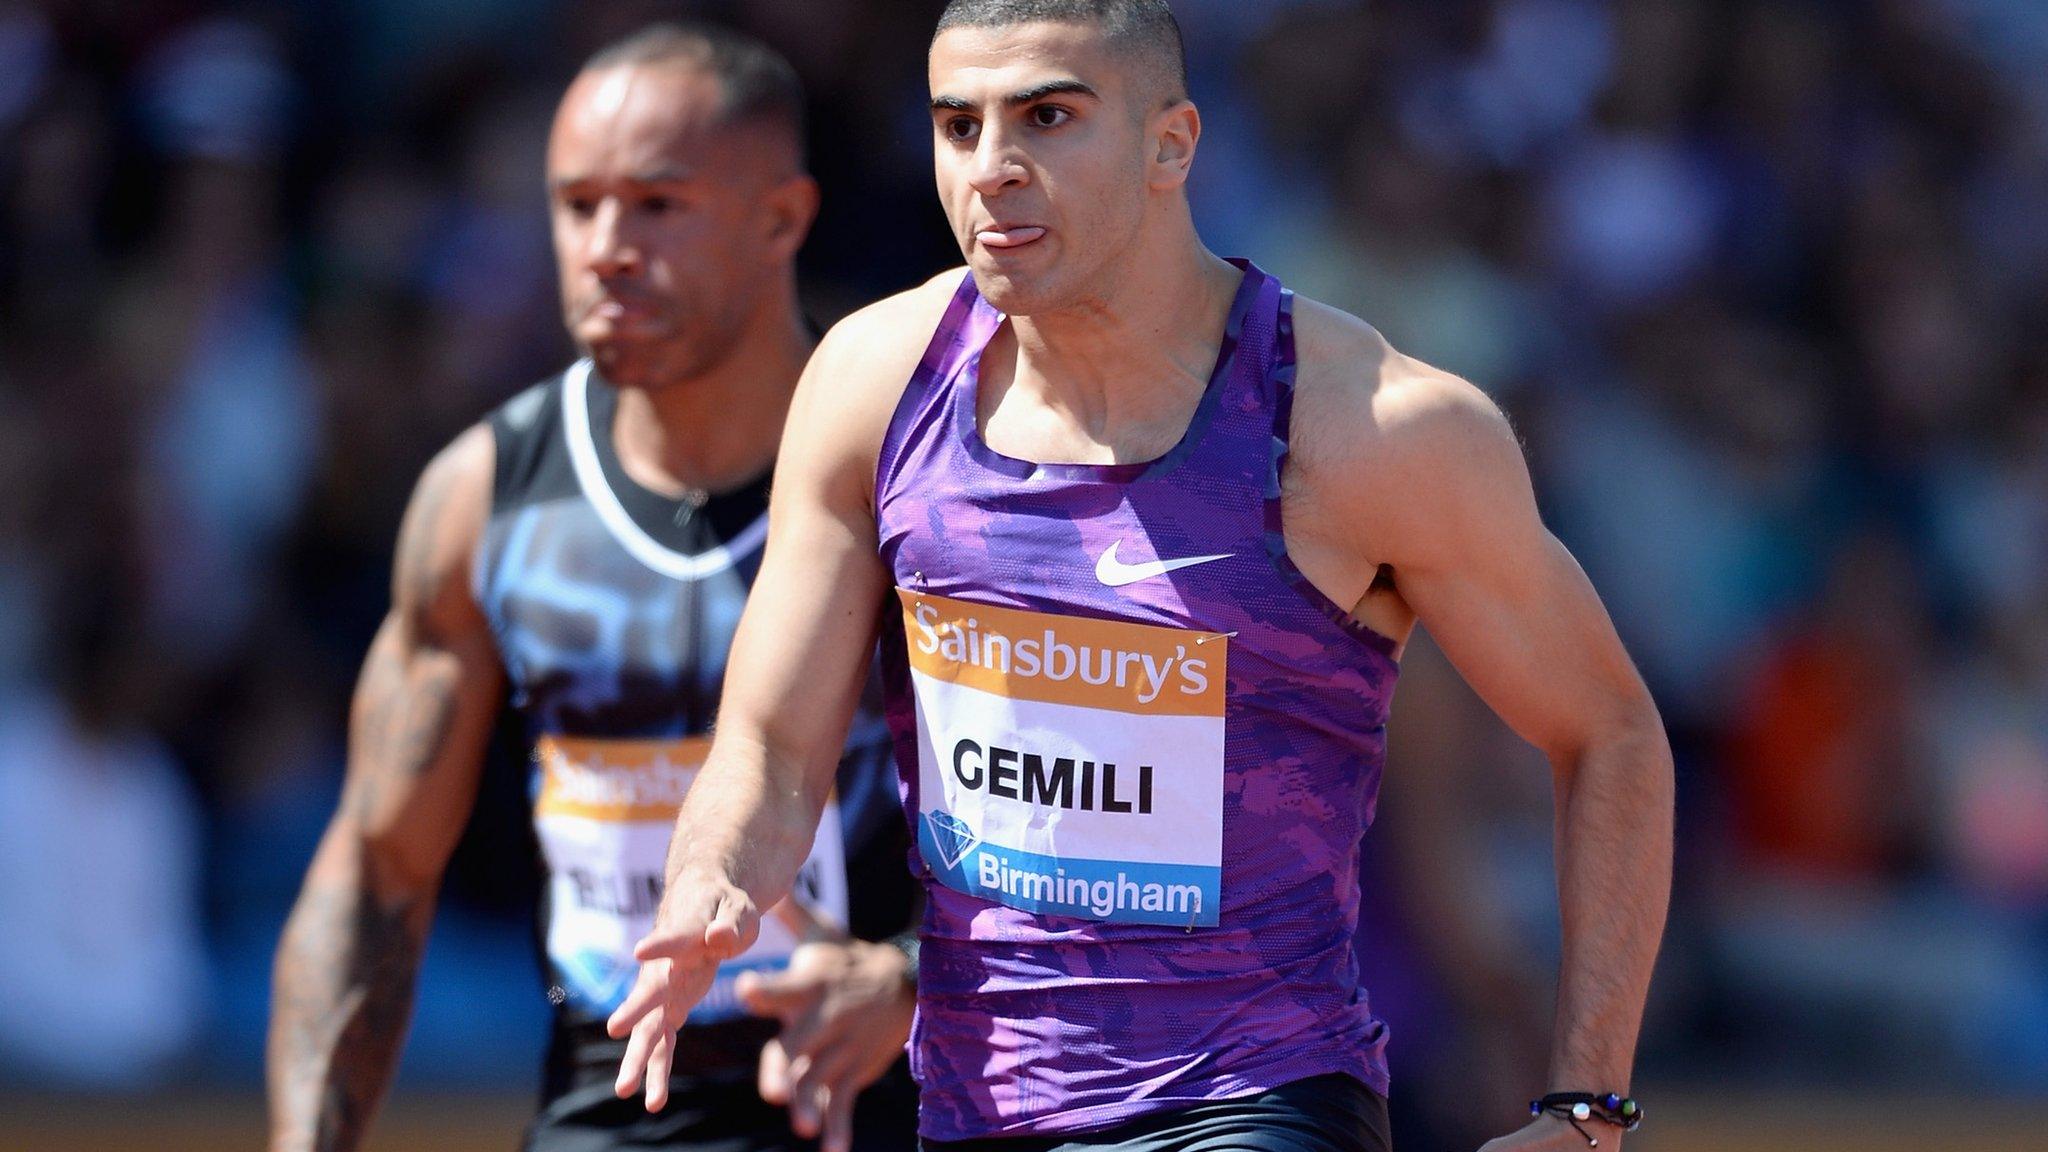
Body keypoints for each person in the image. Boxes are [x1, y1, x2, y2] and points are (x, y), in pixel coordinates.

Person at [609, 3, 1674, 1151]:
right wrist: (711, 877)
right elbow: (768, 748)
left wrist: (1584, 1107)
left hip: (1256, 1098)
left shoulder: (1368, 428)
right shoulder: (872, 385)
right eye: (956, 126)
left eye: (1048, 117)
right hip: (977, 1103)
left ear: (1172, 144)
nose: (993, 168)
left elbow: (1607, 732)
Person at [267, 23, 922, 1152]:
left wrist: (915, 978)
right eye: (577, 205)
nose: (607, 247)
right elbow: (376, 868)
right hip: (609, 1107)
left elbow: (1054, 806)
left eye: (657, 205)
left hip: (884, 1107)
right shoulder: (486, 501)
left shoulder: (912, 481)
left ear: (783, 219)